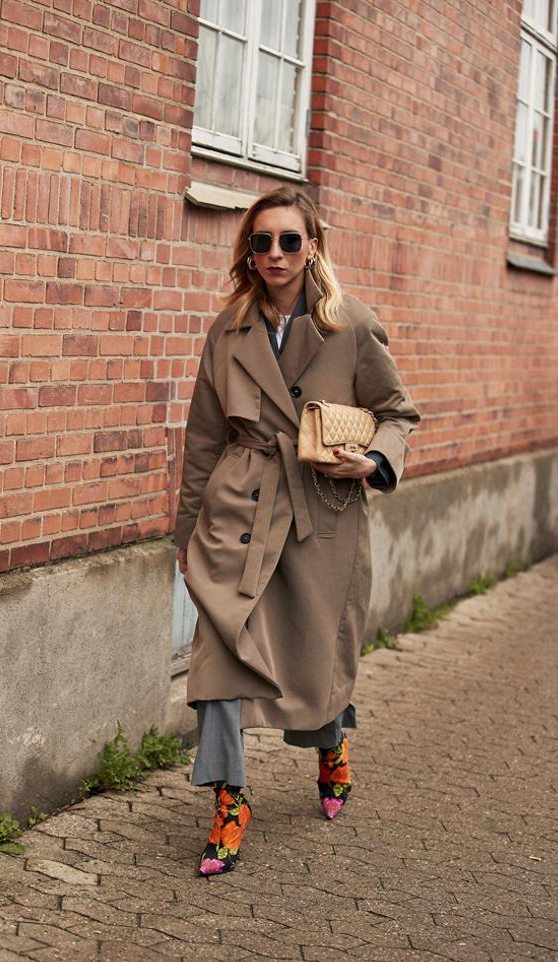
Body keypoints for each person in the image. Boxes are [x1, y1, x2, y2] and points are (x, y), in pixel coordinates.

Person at [174, 187, 420, 876]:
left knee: (313, 660)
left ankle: (331, 741)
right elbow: (201, 439)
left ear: (313, 244)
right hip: (237, 509)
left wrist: (370, 461)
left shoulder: (351, 325)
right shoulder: (227, 331)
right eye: (261, 242)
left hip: (321, 512)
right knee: (219, 654)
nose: (275, 253)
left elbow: (398, 413)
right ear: (247, 254)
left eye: (289, 240)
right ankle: (229, 797)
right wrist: (187, 536)